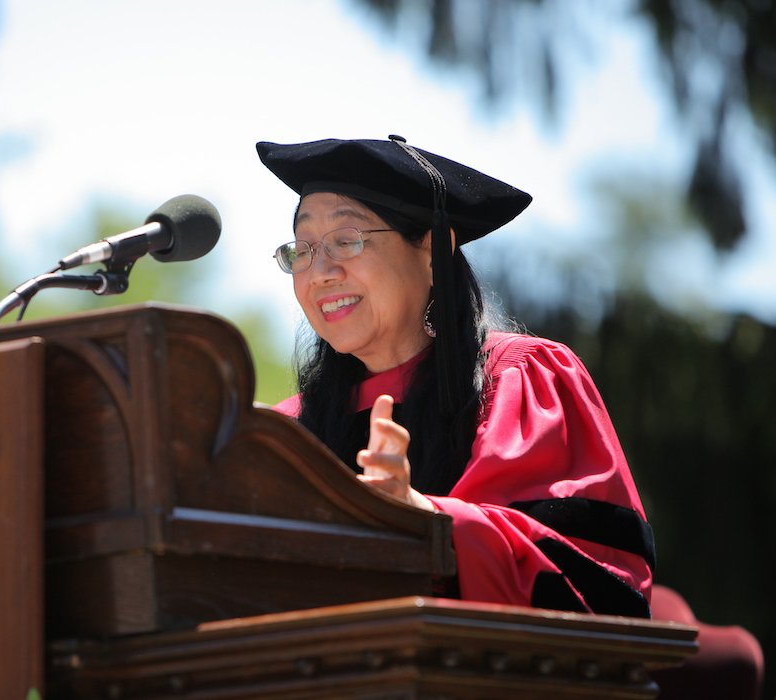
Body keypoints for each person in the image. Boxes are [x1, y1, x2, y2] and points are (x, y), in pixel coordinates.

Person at [257, 136, 654, 618]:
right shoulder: (285, 432)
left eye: (346, 241)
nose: (319, 272)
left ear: (432, 250)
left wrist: (421, 519)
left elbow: (597, 577)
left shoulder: (520, 380)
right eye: (303, 249)